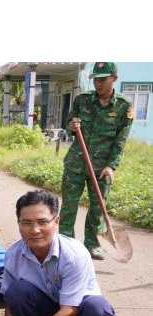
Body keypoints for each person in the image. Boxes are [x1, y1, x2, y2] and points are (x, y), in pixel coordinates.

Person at [0, 190, 116, 316]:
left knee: (99, 309)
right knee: (16, 292)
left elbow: (69, 311)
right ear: (18, 223)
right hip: (45, 314)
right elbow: (11, 301)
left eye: (42, 222)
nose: (34, 230)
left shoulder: (74, 254)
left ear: (57, 221)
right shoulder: (14, 253)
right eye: (26, 223)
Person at [59, 62, 134, 260]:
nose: (98, 84)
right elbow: (68, 124)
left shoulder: (124, 107)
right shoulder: (82, 100)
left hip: (101, 167)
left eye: (103, 79)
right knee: (69, 205)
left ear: (114, 78)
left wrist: (112, 166)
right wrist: (72, 126)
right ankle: (66, 242)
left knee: (97, 208)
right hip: (76, 162)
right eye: (96, 80)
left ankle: (92, 245)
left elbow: (121, 140)